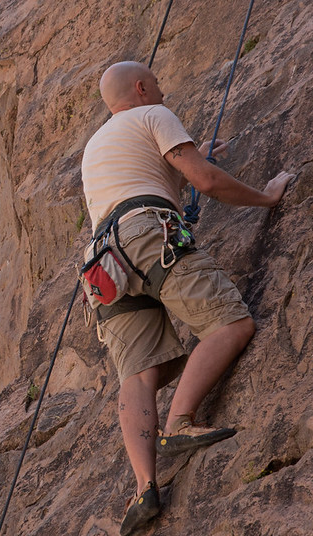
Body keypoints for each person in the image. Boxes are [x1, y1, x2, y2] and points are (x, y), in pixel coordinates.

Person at [80, 61, 295, 535]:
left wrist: (180, 167)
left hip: (105, 263)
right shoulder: (155, 114)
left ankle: (144, 489)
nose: (162, 88)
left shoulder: (96, 147)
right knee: (230, 324)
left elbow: (142, 181)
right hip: (147, 233)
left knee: (137, 375)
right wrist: (267, 197)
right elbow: (207, 182)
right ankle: (180, 422)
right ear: (141, 88)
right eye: (155, 83)